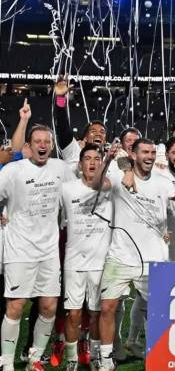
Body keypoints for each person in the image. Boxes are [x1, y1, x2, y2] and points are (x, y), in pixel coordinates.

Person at [96, 138, 175, 371]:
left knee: (158, 310)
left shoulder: (164, 182)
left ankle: (159, 356)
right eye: (145, 152)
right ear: (133, 155)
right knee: (107, 307)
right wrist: (108, 160)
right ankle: (106, 359)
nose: (150, 156)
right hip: (120, 255)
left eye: (153, 152)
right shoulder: (118, 177)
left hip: (153, 258)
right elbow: (96, 184)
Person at [0, 125, 75, 371]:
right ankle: (6, 363)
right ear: (29, 146)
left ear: (51, 146)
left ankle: (34, 359)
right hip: (19, 249)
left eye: (46, 141)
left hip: (49, 250)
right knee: (16, 305)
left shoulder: (61, 169)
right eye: (37, 141)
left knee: (49, 306)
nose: (42, 145)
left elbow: (76, 195)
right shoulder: (13, 171)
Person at [60, 144, 113, 371]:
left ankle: (94, 355)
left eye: (97, 159)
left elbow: (98, 183)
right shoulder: (66, 189)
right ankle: (72, 359)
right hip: (74, 262)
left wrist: (109, 161)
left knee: (96, 314)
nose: (92, 162)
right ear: (80, 164)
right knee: (73, 315)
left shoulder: (109, 186)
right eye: (88, 158)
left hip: (100, 262)